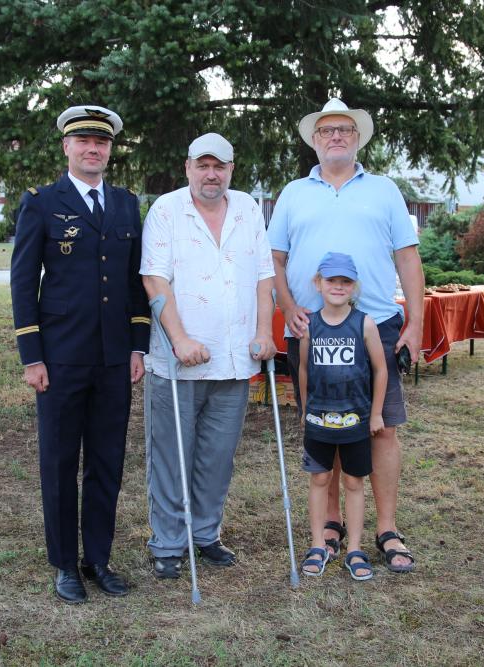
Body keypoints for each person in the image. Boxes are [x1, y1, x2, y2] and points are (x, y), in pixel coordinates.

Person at [268, 98, 424, 573]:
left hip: (376, 325)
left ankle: (387, 528)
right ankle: (332, 524)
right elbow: (274, 259)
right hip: (310, 329)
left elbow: (407, 257)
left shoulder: (384, 190)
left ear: (358, 139)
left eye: (345, 130)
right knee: (324, 424)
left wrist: (416, 322)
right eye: (326, 130)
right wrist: (288, 307)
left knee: (382, 428)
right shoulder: (293, 193)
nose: (335, 136)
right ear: (314, 140)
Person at [10, 105, 150, 603]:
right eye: (84, 141)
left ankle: (98, 559)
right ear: (67, 147)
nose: (94, 149)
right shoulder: (42, 202)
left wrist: (137, 345)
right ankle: (65, 564)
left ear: (110, 149)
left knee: (107, 462)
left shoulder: (126, 204)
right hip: (61, 357)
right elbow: (23, 281)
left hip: (114, 358)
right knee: (60, 461)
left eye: (102, 142)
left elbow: (134, 281)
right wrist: (32, 356)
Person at [141, 132, 277, 579]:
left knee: (218, 456)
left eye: (219, 166)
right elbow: (154, 279)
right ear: (188, 168)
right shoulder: (166, 210)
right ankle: (168, 542)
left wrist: (263, 332)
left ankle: (204, 534)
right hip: (177, 363)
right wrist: (179, 338)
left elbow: (263, 277)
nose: (211, 174)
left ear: (231, 170)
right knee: (170, 456)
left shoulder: (248, 208)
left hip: (234, 360)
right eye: (203, 165)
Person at [297, 252, 387, 581]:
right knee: (320, 479)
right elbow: (304, 369)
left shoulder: (364, 323)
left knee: (353, 481)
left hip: (356, 420)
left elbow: (380, 370)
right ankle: (317, 544)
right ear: (318, 284)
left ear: (354, 286)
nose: (338, 286)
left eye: (345, 281)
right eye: (331, 280)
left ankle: (355, 549)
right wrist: (305, 409)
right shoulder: (310, 325)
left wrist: (375, 414)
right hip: (318, 421)